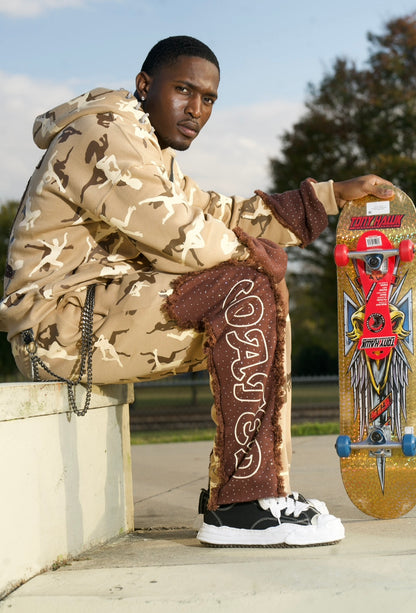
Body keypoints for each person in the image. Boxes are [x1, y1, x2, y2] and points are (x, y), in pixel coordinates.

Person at [0, 35, 394, 547]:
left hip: (93, 313)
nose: (197, 110)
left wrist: (330, 195)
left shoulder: (147, 148)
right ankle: (241, 504)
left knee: (254, 290)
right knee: (245, 288)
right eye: (184, 90)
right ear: (145, 86)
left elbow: (217, 212)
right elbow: (180, 233)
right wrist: (262, 259)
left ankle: (254, 489)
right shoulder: (102, 134)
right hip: (54, 326)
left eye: (208, 99)